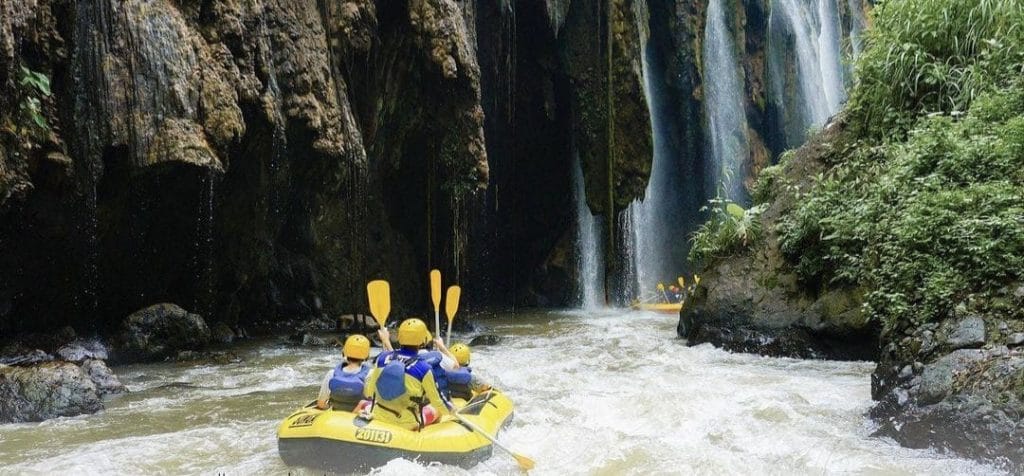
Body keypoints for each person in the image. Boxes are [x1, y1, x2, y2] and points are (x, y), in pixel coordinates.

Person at [362, 318, 451, 430]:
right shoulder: (424, 368)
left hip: (378, 416)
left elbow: (369, 392)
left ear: (399, 338)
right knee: (437, 410)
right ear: (423, 340)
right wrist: (453, 411)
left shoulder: (382, 358)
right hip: (405, 424)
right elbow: (438, 402)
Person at [316, 334, 372, 411]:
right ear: (367, 356)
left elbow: (321, 404)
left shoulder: (331, 373)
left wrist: (330, 408)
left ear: (344, 352)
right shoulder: (369, 375)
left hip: (336, 416)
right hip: (357, 419)